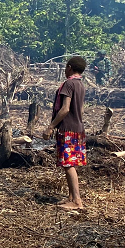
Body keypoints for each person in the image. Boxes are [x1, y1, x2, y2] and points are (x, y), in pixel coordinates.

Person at [43, 56, 87, 210]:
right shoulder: (80, 85)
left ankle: (76, 201)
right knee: (72, 162)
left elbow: (65, 109)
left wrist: (51, 126)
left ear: (69, 67)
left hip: (68, 129)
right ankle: (70, 197)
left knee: (68, 164)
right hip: (78, 128)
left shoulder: (68, 84)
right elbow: (80, 110)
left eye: (65, 67)